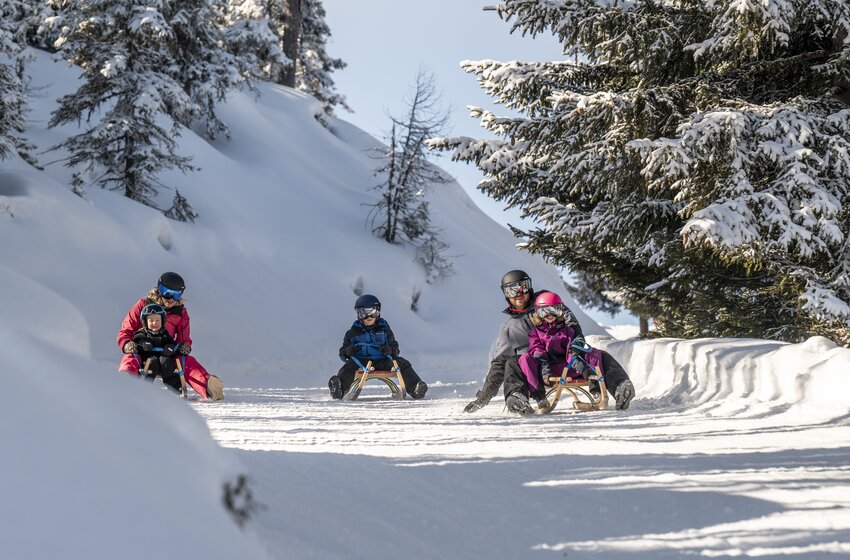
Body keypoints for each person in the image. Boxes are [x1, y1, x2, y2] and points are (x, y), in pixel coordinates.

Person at [463, 269, 634, 412]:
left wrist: (577, 348)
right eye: (511, 291)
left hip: (567, 361)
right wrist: (483, 398)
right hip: (536, 369)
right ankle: (517, 397)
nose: (519, 294)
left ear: (529, 287)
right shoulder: (509, 327)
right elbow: (499, 364)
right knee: (512, 364)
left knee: (599, 355)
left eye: (523, 287)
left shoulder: (548, 303)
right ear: (505, 295)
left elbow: (573, 327)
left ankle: (620, 386)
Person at [117, 272, 224, 401]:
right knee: (130, 358)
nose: (171, 299)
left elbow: (184, 339)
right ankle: (124, 382)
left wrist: (184, 347)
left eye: (176, 294)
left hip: (166, 352)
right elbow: (125, 330)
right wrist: (127, 344)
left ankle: (208, 386)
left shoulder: (180, 312)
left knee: (187, 361)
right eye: (167, 292)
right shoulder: (143, 305)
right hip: (143, 349)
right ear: (159, 289)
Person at [502, 292, 606, 415]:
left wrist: (579, 365)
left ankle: (596, 389)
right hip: (544, 371)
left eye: (554, 310)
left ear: (560, 312)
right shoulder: (535, 332)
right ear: (538, 313)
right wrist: (545, 370)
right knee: (525, 358)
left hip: (568, 368)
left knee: (592, 352)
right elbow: (537, 350)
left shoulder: (567, 330)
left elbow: (570, 351)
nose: (550, 315)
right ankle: (539, 397)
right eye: (544, 311)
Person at [328, 294, 428, 400]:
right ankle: (339, 389)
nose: (369, 317)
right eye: (363, 313)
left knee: (402, 363)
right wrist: (348, 351)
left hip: (383, 361)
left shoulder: (384, 330)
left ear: (378, 312)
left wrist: (390, 350)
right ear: (358, 314)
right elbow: (342, 353)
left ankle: (416, 388)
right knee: (348, 366)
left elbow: (395, 348)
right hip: (361, 362)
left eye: (372, 312)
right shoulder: (352, 333)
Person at [131, 303, 183, 393]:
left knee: (167, 362)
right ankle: (143, 388)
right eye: (151, 320)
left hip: (163, 360)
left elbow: (172, 343)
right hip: (147, 361)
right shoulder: (142, 334)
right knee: (152, 362)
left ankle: (175, 389)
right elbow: (137, 340)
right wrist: (143, 343)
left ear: (162, 321)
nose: (154, 323)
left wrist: (170, 348)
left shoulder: (164, 334)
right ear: (145, 322)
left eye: (157, 320)